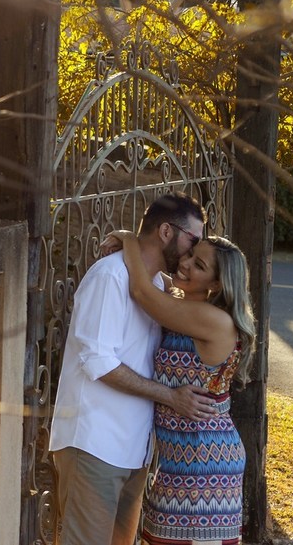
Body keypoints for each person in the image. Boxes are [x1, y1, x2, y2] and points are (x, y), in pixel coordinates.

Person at [49, 193, 217, 545]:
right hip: (94, 444)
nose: (193, 252)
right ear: (167, 232)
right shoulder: (109, 277)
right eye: (193, 240)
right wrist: (170, 396)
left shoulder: (154, 284)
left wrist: (126, 236)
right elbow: (99, 361)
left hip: (133, 450)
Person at [109, 229, 256, 545]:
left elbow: (142, 292)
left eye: (199, 265)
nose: (186, 263)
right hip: (176, 464)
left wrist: (132, 240)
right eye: (190, 254)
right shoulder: (179, 306)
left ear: (216, 284)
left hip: (206, 467)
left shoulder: (214, 320)